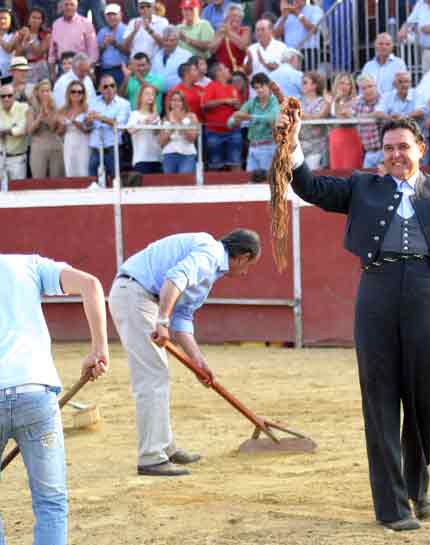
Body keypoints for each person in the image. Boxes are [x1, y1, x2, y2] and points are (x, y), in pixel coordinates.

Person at [279, 99, 430, 530]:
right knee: (379, 399)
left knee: (425, 399)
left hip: (428, 292)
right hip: (376, 290)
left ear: (421, 150)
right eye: (388, 147)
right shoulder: (362, 187)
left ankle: (419, 490)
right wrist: (294, 144)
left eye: (403, 146)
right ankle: (392, 508)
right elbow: (311, 188)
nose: (395, 154)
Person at [108, 229, 262, 477]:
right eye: (249, 266)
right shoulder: (210, 253)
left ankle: (164, 448)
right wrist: (162, 320)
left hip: (143, 297)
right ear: (243, 256)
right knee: (153, 375)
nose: (245, 273)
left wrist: (198, 360)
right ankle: (151, 457)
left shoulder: (210, 268)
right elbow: (175, 279)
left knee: (158, 374)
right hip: (136, 295)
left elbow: (183, 317)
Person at [0, 254, 109, 545]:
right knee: (50, 502)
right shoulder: (29, 265)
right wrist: (99, 349)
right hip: (35, 394)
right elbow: (91, 284)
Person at [228, 72, 279, 171]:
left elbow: (272, 118)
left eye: (262, 87)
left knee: (267, 181)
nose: (259, 90)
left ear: (268, 86)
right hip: (253, 147)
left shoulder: (275, 101)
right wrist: (235, 120)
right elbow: (230, 122)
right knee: (250, 181)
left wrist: (248, 117)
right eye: (256, 88)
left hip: (270, 146)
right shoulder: (251, 102)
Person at [87, 74, 131, 183]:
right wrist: (89, 120)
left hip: (113, 150)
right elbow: (87, 124)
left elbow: (119, 124)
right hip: (95, 149)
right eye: (105, 86)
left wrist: (99, 117)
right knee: (93, 183)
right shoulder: (91, 102)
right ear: (99, 89)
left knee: (115, 182)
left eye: (112, 85)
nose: (109, 89)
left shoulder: (124, 104)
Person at [202, 62, 242, 171]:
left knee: (236, 161)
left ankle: (239, 186)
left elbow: (239, 108)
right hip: (214, 132)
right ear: (218, 72)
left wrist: (237, 105)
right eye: (226, 68)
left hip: (233, 131)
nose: (229, 70)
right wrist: (225, 101)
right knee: (215, 164)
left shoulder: (233, 88)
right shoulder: (211, 86)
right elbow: (205, 105)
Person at [26, 78, 64, 178]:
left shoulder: (55, 107)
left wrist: (48, 113)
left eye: (48, 91)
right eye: (43, 91)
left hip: (55, 146)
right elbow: (30, 130)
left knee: (56, 181)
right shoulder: (31, 108)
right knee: (38, 180)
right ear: (37, 93)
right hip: (38, 147)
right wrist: (40, 117)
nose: (46, 93)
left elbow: (54, 129)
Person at [48, 0, 98, 75]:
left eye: (72, 4)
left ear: (77, 6)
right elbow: (52, 52)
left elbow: (93, 51)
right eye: (66, 4)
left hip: (81, 69)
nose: (69, 7)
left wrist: (90, 70)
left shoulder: (86, 24)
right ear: (62, 6)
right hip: (62, 69)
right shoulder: (56, 24)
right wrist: (52, 73)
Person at [57, 79, 92, 176]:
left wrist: (76, 123)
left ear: (83, 94)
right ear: (69, 93)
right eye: (73, 91)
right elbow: (59, 133)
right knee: (70, 170)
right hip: (69, 142)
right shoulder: (63, 110)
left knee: (83, 170)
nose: (76, 94)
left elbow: (89, 130)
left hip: (84, 142)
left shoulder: (87, 108)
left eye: (80, 92)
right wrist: (62, 125)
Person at [159, 89, 199, 173]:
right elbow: (161, 142)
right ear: (170, 102)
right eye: (173, 100)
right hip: (169, 154)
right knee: (169, 184)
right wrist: (172, 128)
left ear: (183, 103)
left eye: (179, 100)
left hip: (187, 155)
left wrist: (180, 121)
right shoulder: (165, 118)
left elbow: (192, 139)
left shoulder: (192, 116)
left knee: (184, 181)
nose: (176, 103)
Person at [126, 84, 163, 173]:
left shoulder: (156, 115)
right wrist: (145, 121)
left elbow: (157, 134)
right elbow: (130, 130)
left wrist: (155, 123)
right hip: (141, 159)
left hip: (157, 158)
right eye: (147, 93)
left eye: (152, 94)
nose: (150, 96)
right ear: (140, 97)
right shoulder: (134, 114)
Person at [298, 70, 329, 169]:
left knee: (312, 176)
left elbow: (320, 116)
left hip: (317, 147)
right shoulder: (298, 101)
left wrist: (302, 115)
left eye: (305, 82)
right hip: (299, 147)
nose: (302, 85)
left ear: (314, 85)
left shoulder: (323, 101)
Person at [352, 72, 382, 168]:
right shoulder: (358, 102)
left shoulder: (383, 99)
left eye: (370, 86)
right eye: (364, 88)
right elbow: (345, 112)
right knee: (367, 180)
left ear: (375, 86)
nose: (368, 90)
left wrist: (361, 116)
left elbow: (380, 114)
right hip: (368, 152)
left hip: (384, 151)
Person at [244, 18, 286, 85]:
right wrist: (249, 61)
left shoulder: (281, 47)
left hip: (274, 91)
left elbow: (279, 69)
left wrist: (263, 62)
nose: (259, 33)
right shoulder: (251, 49)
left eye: (263, 29)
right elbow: (247, 72)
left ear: (271, 30)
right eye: (257, 30)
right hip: (255, 91)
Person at [0, 83, 29, 180]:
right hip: (1, 157)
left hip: (17, 158)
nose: (6, 98)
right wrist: (12, 129)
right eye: (3, 96)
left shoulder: (23, 107)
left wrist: (4, 131)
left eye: (9, 95)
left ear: (15, 96)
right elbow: (16, 130)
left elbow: (22, 130)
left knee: (18, 191)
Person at [16, 7, 51, 84]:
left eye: (39, 18)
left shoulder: (46, 35)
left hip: (41, 67)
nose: (35, 20)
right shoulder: (22, 33)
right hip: (26, 68)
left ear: (42, 21)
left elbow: (39, 53)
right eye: (33, 17)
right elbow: (18, 54)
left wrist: (30, 40)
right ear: (28, 19)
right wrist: (21, 39)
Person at [210, 3, 249, 73]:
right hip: (222, 71)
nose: (236, 18)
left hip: (239, 71)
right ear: (226, 18)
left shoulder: (245, 30)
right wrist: (221, 35)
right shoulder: (220, 30)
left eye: (239, 16)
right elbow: (212, 50)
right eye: (233, 16)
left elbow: (242, 45)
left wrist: (228, 32)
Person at [97, 3, 129, 87]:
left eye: (114, 14)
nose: (111, 17)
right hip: (105, 70)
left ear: (121, 15)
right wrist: (103, 46)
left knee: (121, 97)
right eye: (108, 15)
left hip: (121, 70)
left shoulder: (127, 30)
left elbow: (130, 52)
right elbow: (97, 54)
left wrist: (115, 44)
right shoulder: (102, 32)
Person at [151, 27, 192, 92]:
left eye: (172, 40)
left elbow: (190, 77)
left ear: (177, 41)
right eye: (166, 40)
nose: (168, 43)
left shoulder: (186, 55)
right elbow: (152, 74)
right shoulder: (156, 55)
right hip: (158, 94)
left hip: (178, 96)